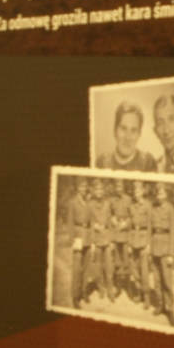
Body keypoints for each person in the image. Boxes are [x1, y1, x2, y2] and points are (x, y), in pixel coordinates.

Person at [149, 183, 174, 324]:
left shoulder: (170, 209)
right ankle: (160, 306)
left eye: (161, 193)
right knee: (157, 280)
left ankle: (170, 309)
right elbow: (150, 230)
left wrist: (171, 253)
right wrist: (149, 248)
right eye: (157, 193)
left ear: (165, 195)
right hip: (155, 247)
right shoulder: (153, 208)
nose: (159, 196)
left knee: (167, 281)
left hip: (166, 248)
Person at [98, 101, 156, 173]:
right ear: (115, 130)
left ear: (139, 134)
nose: (128, 137)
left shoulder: (147, 163)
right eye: (123, 128)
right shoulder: (102, 163)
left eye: (133, 130)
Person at [69, 178, 93, 307]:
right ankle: (75, 296)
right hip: (78, 237)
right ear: (78, 188)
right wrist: (72, 239)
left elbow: (91, 222)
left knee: (86, 268)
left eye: (85, 187)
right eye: (81, 187)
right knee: (77, 269)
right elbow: (70, 222)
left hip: (87, 237)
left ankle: (84, 292)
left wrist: (92, 239)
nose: (84, 189)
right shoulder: (73, 202)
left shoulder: (88, 202)